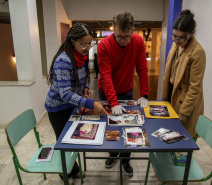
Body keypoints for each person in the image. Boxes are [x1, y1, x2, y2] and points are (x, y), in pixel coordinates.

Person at [45, 23, 107, 180]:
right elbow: (65, 94)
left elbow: (81, 76)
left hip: (72, 105)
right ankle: (65, 174)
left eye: (90, 43)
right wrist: (91, 103)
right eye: (83, 44)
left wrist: (85, 87)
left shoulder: (82, 56)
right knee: (63, 143)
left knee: (73, 139)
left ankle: (74, 168)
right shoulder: (63, 61)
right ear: (73, 42)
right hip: (58, 108)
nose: (87, 48)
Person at [97, 11, 149, 176]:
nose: (124, 41)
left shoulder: (138, 41)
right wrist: (113, 102)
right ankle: (113, 154)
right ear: (114, 30)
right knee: (110, 125)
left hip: (126, 92)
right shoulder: (104, 45)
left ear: (133, 30)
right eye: (119, 36)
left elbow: (142, 68)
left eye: (127, 36)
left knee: (129, 126)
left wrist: (144, 94)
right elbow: (106, 76)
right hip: (105, 93)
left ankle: (125, 159)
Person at [163, 9, 206, 138]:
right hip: (172, 94)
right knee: (168, 135)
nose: (176, 40)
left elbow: (195, 87)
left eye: (182, 37)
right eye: (174, 36)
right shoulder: (175, 45)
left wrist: (184, 111)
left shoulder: (198, 52)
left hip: (185, 101)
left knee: (182, 138)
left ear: (192, 33)